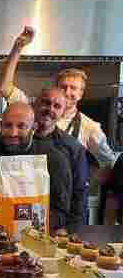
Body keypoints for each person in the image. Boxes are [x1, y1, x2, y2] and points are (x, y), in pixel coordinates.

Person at [0, 26, 119, 169]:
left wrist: (87, 185)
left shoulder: (90, 128)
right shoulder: (31, 109)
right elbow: (4, 87)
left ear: (81, 94)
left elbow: (109, 163)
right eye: (63, 86)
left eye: (73, 88)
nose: (67, 92)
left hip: (62, 189)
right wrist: (18, 47)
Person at [0, 103, 73, 230]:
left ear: (34, 127)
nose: (13, 133)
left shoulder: (54, 159)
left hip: (35, 239)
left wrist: (15, 218)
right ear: (0, 125)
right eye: (8, 125)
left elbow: (61, 214)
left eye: (21, 126)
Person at [32, 87, 89, 230]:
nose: (50, 109)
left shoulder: (73, 148)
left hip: (56, 227)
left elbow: (79, 193)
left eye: (57, 106)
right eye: (45, 103)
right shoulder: (17, 139)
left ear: (63, 112)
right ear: (35, 104)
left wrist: (73, 232)